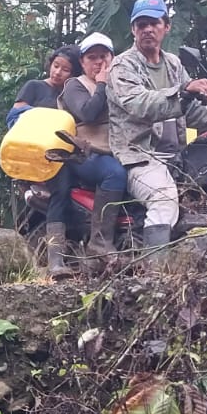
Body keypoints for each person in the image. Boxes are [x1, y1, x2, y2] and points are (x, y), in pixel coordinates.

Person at [106, 0, 207, 256]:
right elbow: (139, 104)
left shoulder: (173, 63)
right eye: (141, 25)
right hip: (139, 156)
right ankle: (156, 273)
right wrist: (184, 90)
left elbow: (192, 111)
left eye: (154, 23)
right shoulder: (122, 65)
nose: (148, 29)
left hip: (177, 157)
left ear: (166, 27)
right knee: (163, 198)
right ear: (133, 29)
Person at [56, 32, 129, 262]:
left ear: (112, 58)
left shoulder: (124, 83)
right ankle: (99, 242)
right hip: (86, 153)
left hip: (122, 149)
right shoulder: (75, 85)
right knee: (114, 173)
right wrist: (101, 84)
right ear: (82, 62)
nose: (98, 62)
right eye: (92, 57)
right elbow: (88, 113)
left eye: (103, 56)